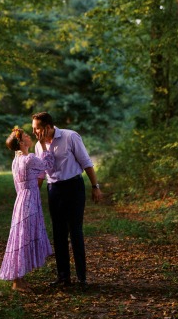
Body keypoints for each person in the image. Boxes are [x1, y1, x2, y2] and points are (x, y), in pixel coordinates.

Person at [32, 111, 102, 287]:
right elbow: (41, 172)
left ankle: (81, 278)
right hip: (53, 189)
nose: (34, 132)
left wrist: (95, 187)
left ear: (48, 127)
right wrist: (31, 194)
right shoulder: (38, 146)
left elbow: (87, 163)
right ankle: (63, 277)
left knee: (75, 232)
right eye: (33, 129)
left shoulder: (70, 137)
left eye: (37, 128)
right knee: (58, 233)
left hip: (73, 187)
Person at [0, 127, 55, 292]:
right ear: (22, 143)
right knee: (23, 238)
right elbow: (48, 164)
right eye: (26, 136)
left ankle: (20, 279)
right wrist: (44, 145)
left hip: (21, 199)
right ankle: (17, 281)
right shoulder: (29, 158)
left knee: (21, 237)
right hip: (29, 200)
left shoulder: (16, 160)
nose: (29, 137)